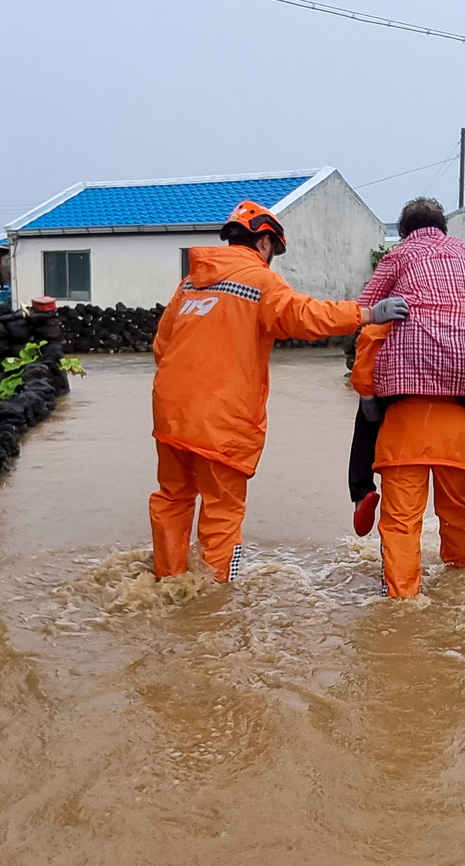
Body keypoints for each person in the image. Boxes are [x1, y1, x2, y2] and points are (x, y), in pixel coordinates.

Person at [149, 200, 408, 582]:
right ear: (265, 242)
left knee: (172, 498)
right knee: (222, 510)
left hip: (170, 414)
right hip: (223, 418)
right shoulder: (260, 281)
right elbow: (304, 316)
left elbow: (161, 347)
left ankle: (168, 581)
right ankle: (213, 596)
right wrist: (367, 314)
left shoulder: (190, 282)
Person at [347, 196, 465, 540]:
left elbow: (364, 317)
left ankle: (360, 492)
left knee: (366, 423)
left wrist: (369, 397)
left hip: (404, 393)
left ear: (403, 232)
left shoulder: (396, 280)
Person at [349, 299, 465, 540]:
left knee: (401, 525)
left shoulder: (402, 305)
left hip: (405, 400)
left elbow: (371, 339)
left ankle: (361, 493)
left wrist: (367, 393)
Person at [350, 352, 465, 598]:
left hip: (403, 433)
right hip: (458, 435)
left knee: (401, 524)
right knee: (458, 513)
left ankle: (401, 597)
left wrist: (365, 388)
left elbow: (369, 345)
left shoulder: (395, 313)